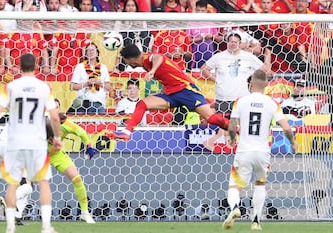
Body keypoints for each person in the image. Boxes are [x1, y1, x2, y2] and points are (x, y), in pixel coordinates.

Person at [0, 53, 62, 233]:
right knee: (43, 183)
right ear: (36, 66)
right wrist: (57, 138)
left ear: (19, 67)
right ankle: (46, 227)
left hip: (13, 141)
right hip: (35, 142)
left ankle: (11, 226)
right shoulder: (44, 87)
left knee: (14, 183)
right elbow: (55, 117)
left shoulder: (10, 86)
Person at [106, 44, 230, 141]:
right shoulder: (144, 64)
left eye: (125, 60)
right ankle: (126, 133)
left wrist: (152, 71)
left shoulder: (147, 58)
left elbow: (158, 56)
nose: (125, 63)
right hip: (171, 94)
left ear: (130, 59)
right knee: (142, 104)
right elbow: (166, 75)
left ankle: (237, 128)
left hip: (186, 90)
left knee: (211, 118)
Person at [223, 69, 298, 231]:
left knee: (234, 186)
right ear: (266, 85)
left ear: (250, 84)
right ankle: (256, 221)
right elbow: (286, 128)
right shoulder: (273, 103)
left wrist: (232, 138)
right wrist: (292, 142)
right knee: (260, 184)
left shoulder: (240, 101)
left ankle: (235, 207)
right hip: (263, 152)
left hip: (244, 150)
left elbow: (231, 125)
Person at [47, 98, 96, 223]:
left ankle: (84, 213)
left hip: (56, 155)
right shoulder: (39, 122)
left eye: (57, 107)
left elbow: (82, 133)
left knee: (77, 178)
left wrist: (88, 146)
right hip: (38, 155)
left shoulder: (66, 124)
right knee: (28, 183)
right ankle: (17, 211)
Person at [68, 43, 112, 115]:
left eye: (93, 50)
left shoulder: (103, 68)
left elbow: (109, 88)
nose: (91, 52)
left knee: (100, 125)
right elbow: (72, 86)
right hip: (82, 104)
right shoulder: (80, 67)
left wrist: (99, 83)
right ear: (85, 54)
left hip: (99, 103)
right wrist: (87, 83)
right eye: (88, 50)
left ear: (97, 53)